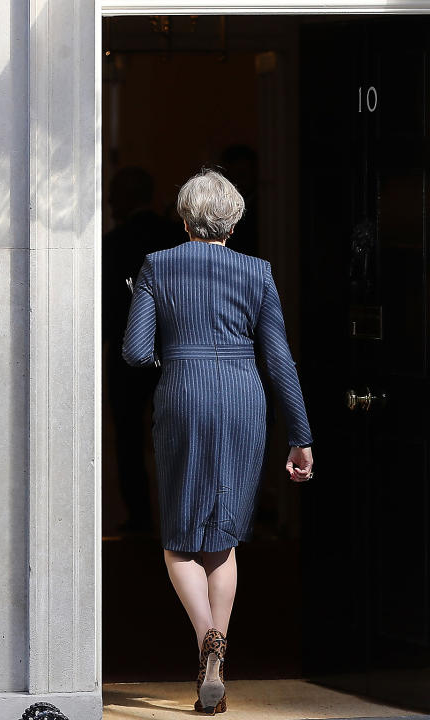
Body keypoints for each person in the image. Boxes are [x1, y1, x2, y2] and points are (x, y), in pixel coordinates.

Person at [121, 168, 315, 714]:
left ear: (184, 220)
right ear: (233, 224)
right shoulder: (257, 272)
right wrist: (300, 436)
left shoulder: (158, 265)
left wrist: (173, 356)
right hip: (241, 398)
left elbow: (136, 354)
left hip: (182, 396)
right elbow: (278, 360)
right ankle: (221, 648)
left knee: (179, 537)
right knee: (221, 539)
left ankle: (204, 635)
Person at [102, 167, 180, 534]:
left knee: (129, 440)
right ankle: (180, 516)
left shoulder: (114, 243)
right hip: (176, 352)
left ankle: (141, 519)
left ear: (127, 196)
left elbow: (107, 306)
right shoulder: (175, 238)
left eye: (114, 192)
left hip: (125, 355)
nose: (109, 201)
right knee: (178, 436)